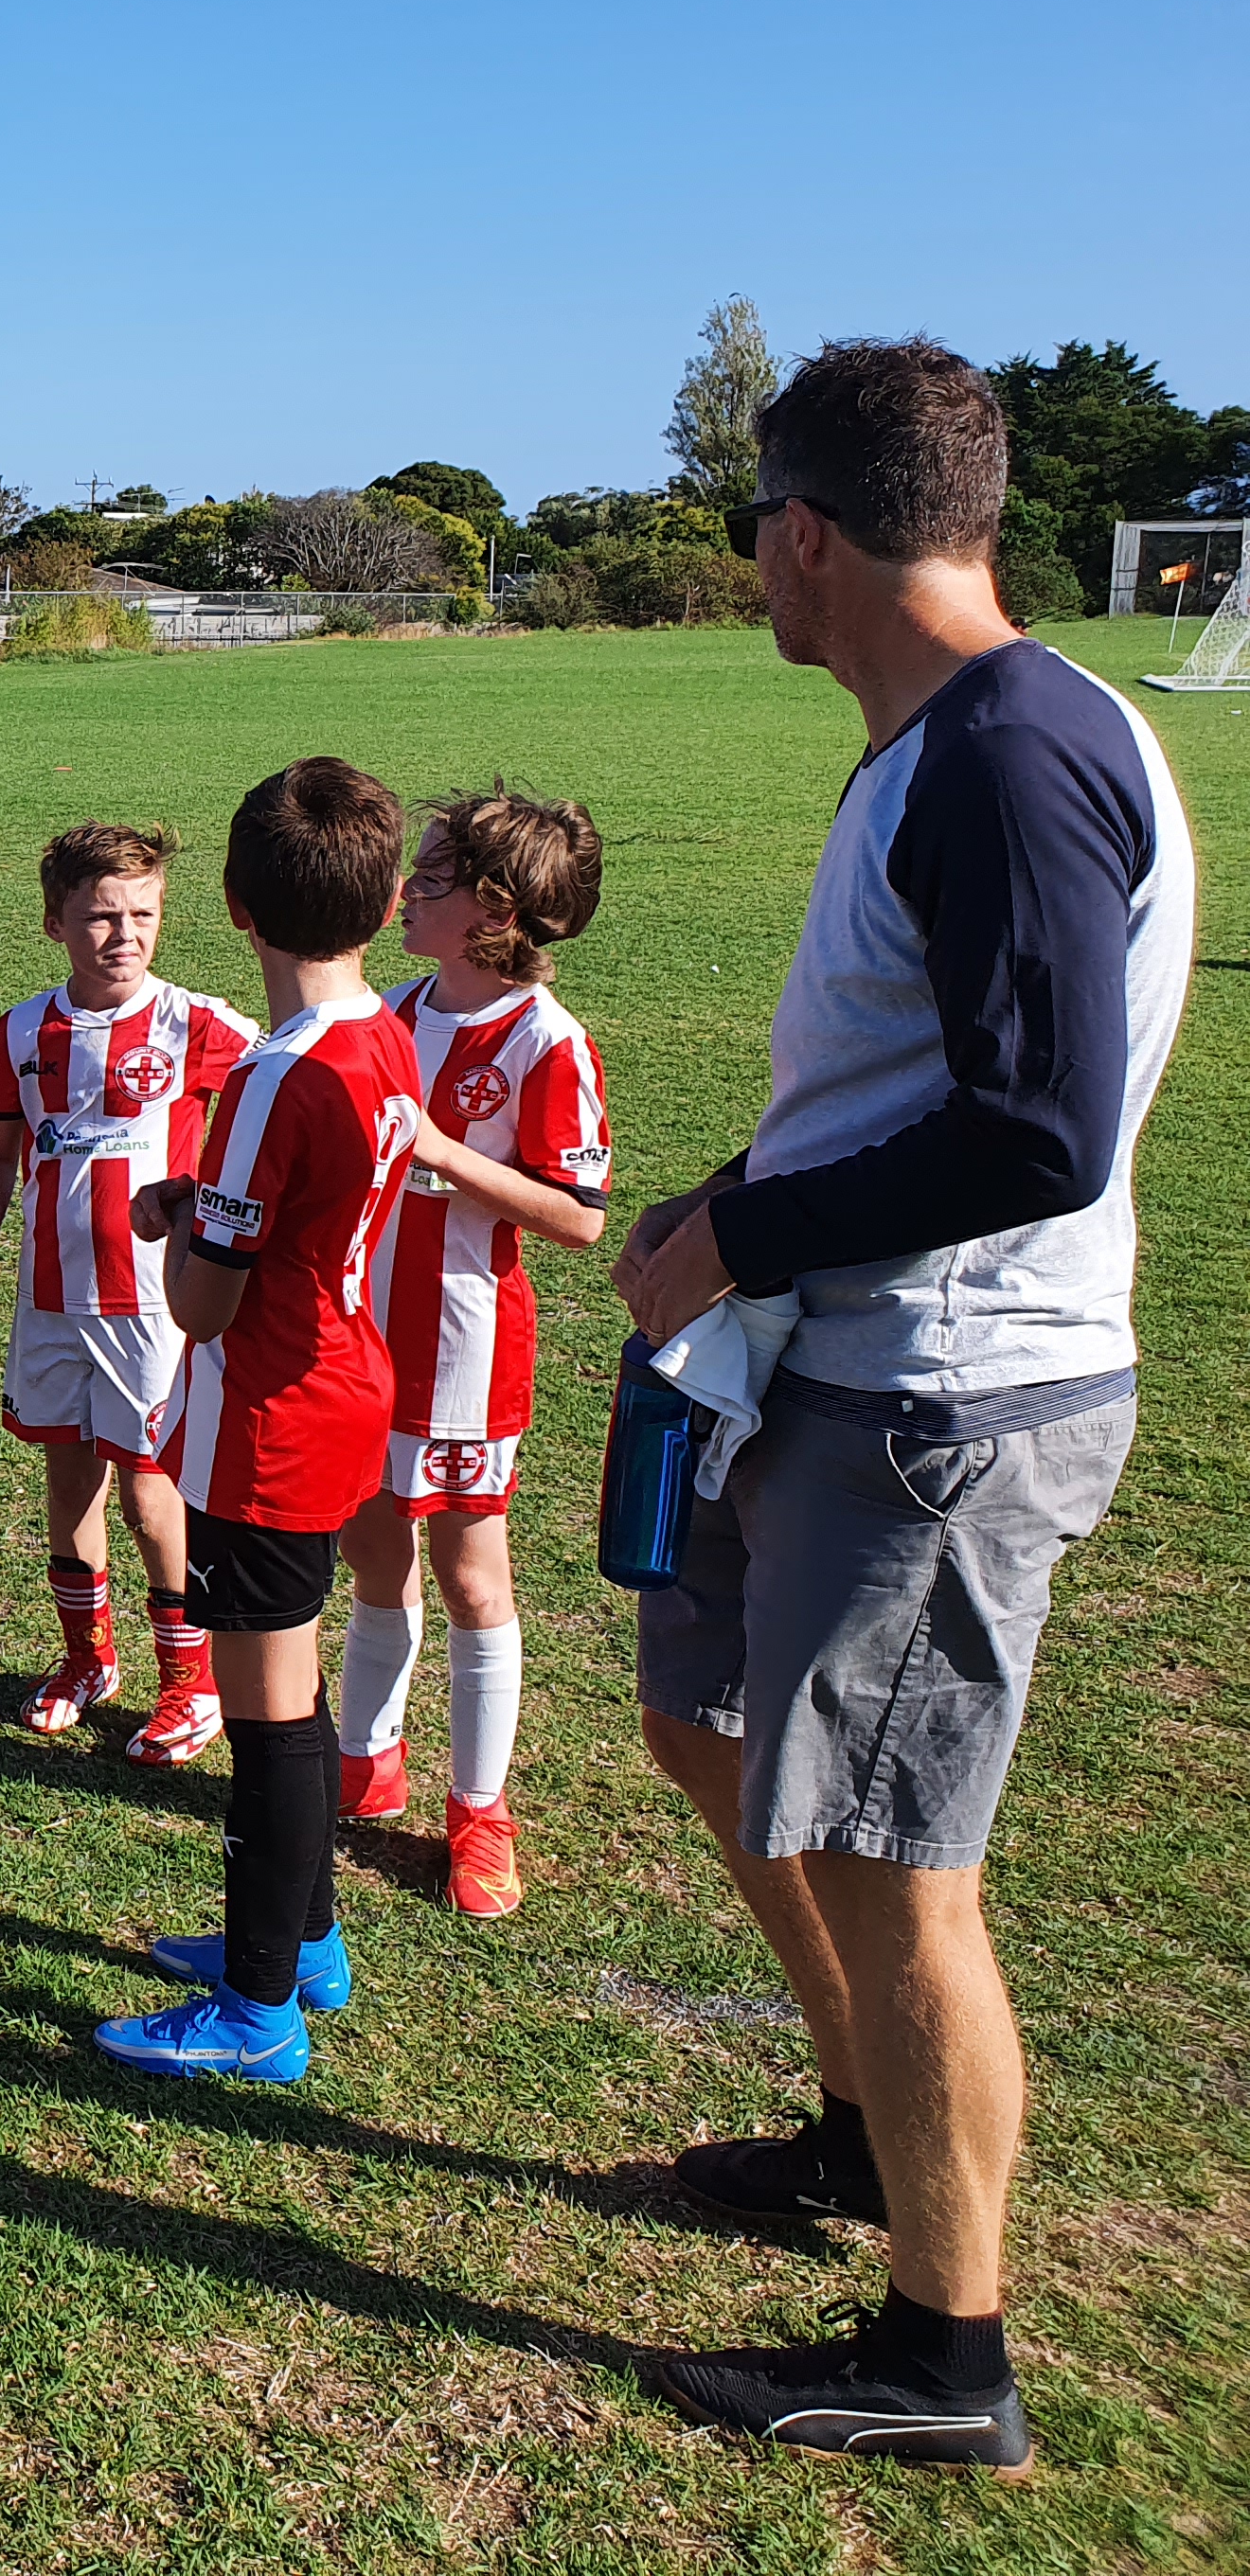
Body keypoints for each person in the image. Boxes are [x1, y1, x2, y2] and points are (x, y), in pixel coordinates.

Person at [616, 339, 1189, 2473]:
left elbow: (1040, 1135)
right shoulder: (952, 737)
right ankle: (861, 2135)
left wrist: (752, 1226)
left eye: (754, 534)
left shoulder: (1015, 752)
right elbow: (932, 1084)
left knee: (890, 1854)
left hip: (951, 1397)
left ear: (809, 534)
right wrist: (743, 1213)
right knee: (719, 1733)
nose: (753, 568)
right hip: (850, 1365)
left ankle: (945, 2355)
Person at [97, 761, 419, 2084]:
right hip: (346, 1378)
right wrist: (208, 1202)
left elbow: (208, 1308)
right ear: (391, 901)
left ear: (231, 905)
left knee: (272, 1714)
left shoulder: (271, 1081)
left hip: (268, 1415)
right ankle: (309, 1937)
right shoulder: (384, 1033)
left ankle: (259, 2004)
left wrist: (172, 1236)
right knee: (286, 1684)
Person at [334, 788, 610, 1920]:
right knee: (373, 1560)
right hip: (361, 1337)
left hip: (463, 1351)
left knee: (470, 1579)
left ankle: (480, 1812)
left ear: (493, 911)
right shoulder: (390, 1008)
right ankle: (367, 1757)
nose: (405, 894)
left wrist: (445, 1153)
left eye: (432, 880)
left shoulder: (549, 1041)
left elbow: (581, 1213)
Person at [0, 823, 254, 1765]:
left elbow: (283, 1097)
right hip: (49, 1299)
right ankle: (89, 1661)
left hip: (151, 1307)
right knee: (67, 1477)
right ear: (54, 922)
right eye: (99, 917)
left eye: (142, 915)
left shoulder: (200, 1023)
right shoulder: (22, 1029)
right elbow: (0, 1154)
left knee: (150, 1497)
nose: (123, 934)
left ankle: (188, 1687)